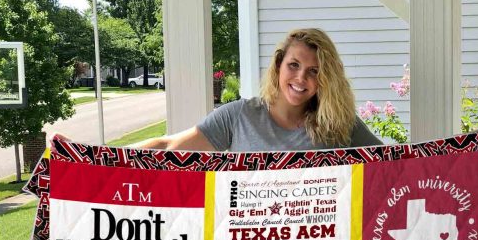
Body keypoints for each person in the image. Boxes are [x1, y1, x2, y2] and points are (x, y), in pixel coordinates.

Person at [140, 27, 382, 152]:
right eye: (294, 65)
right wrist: (104, 161)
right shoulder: (238, 116)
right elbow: (168, 147)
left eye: (314, 71)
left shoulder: (339, 124)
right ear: (278, 65)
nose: (301, 77)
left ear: (326, 78)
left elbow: (393, 166)